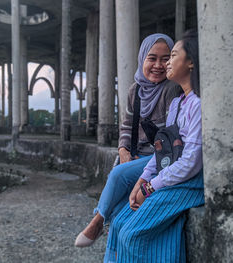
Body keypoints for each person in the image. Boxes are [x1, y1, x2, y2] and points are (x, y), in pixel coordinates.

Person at [104, 29, 203, 263]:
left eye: (172, 56)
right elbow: (162, 151)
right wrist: (141, 182)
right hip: (171, 175)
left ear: (190, 63)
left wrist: (150, 187)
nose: (165, 63)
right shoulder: (179, 104)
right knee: (118, 222)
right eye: (156, 58)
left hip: (188, 182)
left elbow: (191, 162)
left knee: (132, 233)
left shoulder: (197, 105)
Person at [75, 33, 182, 248]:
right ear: (142, 59)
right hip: (136, 154)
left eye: (165, 59)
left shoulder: (172, 89)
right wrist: (123, 149)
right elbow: (126, 125)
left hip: (161, 157)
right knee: (121, 211)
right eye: (152, 58)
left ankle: (97, 221)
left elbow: (172, 137)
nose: (158, 65)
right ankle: (113, 245)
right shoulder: (136, 90)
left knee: (118, 174)